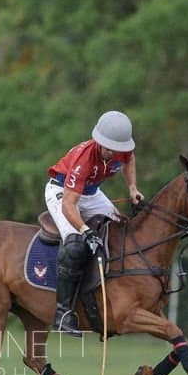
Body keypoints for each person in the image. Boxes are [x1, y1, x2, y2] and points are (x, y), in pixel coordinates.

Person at [45, 110, 144, 336]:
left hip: (91, 193)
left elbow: (130, 159)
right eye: (106, 146)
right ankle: (63, 314)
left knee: (122, 227)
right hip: (62, 191)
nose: (110, 151)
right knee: (75, 244)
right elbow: (69, 205)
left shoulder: (123, 151)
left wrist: (132, 188)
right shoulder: (84, 160)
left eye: (115, 148)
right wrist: (85, 230)